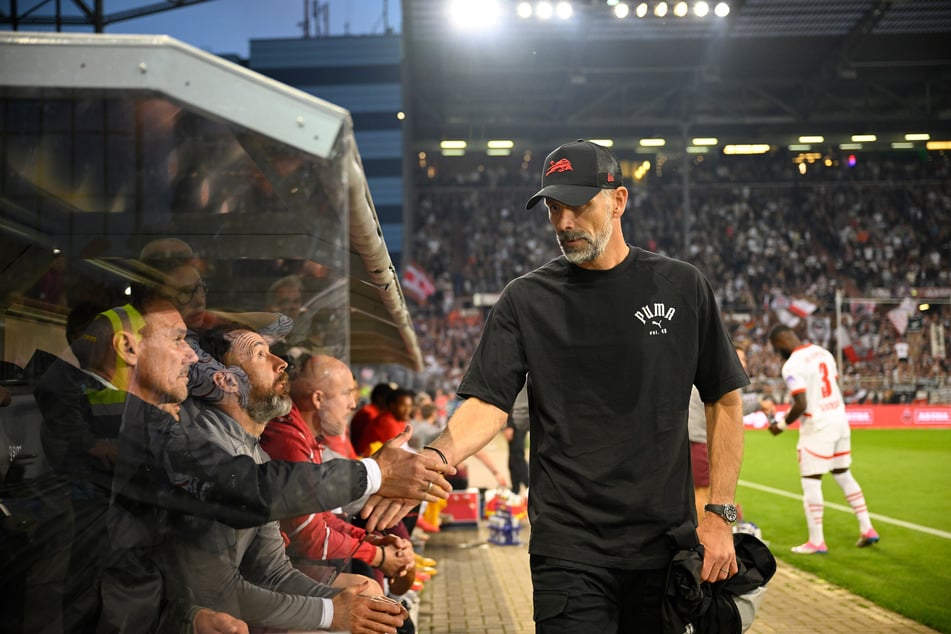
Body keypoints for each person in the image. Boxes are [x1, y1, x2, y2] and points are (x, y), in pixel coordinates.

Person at [366, 140, 749, 632]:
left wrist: (719, 514)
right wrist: (435, 459)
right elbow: (488, 401)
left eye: (578, 205)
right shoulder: (525, 299)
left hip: (664, 546)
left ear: (618, 200)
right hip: (568, 548)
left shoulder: (681, 286)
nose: (564, 222)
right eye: (553, 208)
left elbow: (725, 399)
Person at [160, 326, 408, 632]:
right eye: (261, 355)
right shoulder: (206, 448)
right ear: (225, 380)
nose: (281, 363)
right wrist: (331, 611)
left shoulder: (255, 451)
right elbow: (217, 592)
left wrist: (351, 607)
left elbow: (273, 571)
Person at [260, 353, 417, 592]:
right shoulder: (288, 440)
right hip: (271, 573)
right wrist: (378, 556)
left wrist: (370, 541)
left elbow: (320, 517)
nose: (353, 403)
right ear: (318, 399)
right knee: (369, 590)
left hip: (290, 562)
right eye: (347, 393)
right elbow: (307, 536)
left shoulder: (303, 435)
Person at [767, 324, 880, 554]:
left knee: (811, 479)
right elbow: (830, 387)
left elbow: (802, 403)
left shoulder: (792, 364)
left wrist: (781, 425)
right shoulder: (824, 353)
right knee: (843, 473)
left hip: (817, 426)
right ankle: (867, 528)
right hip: (839, 419)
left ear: (779, 343)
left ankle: (816, 541)